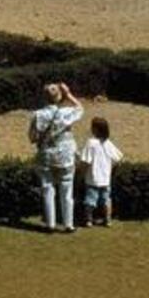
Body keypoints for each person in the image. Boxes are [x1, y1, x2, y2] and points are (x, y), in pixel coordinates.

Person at [28, 82, 82, 232]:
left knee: (47, 189)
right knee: (66, 189)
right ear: (59, 96)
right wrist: (68, 93)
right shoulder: (66, 112)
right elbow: (80, 108)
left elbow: (32, 137)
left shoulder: (38, 114)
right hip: (65, 154)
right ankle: (68, 224)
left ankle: (50, 224)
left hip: (46, 153)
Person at [78, 115, 123, 227]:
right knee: (106, 200)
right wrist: (112, 170)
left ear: (96, 129)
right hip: (105, 178)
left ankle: (88, 220)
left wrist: (80, 173)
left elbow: (86, 161)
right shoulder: (108, 143)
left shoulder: (91, 143)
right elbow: (119, 158)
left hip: (92, 178)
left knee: (90, 200)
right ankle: (108, 220)